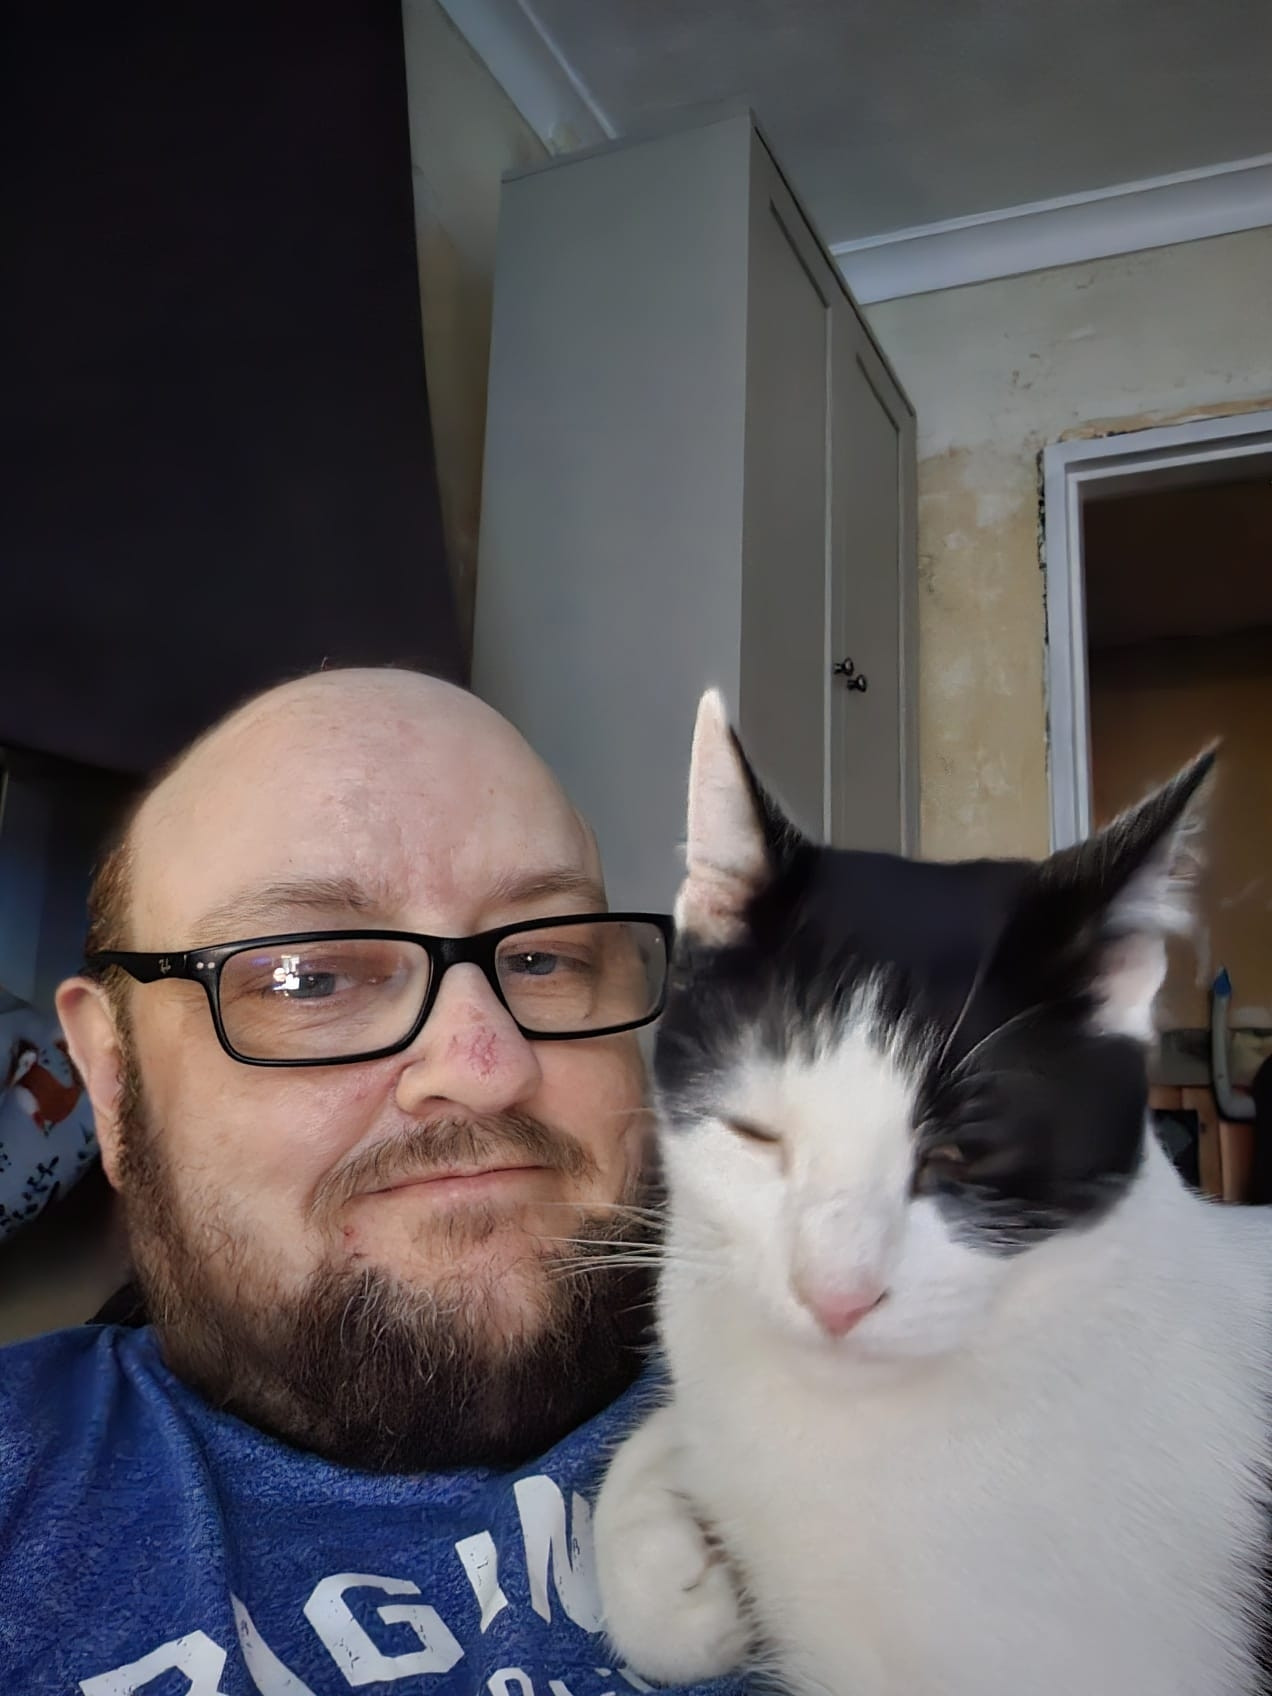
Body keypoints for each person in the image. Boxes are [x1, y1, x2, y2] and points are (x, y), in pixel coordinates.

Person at [0, 667, 743, 1696]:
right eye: (310, 977)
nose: (486, 1069)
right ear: (112, 1080)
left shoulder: (912, 1398)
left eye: (543, 958)